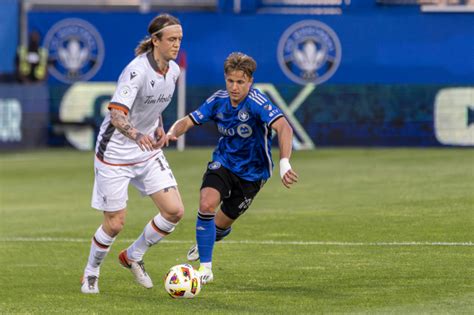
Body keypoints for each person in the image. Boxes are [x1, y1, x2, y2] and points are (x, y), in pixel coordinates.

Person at [166, 52, 298, 284]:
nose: (234, 87)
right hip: (224, 162)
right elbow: (188, 120)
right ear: (225, 79)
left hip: (254, 174)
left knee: (219, 226)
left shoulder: (257, 102)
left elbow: (284, 127)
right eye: (230, 81)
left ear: (250, 82)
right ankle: (205, 268)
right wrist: (171, 133)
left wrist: (285, 162)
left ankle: (214, 235)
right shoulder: (218, 100)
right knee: (206, 203)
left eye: (240, 82)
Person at [81, 14, 184, 294]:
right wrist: (138, 135)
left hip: (147, 151)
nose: (177, 45)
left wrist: (159, 128)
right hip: (114, 153)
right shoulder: (136, 71)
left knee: (174, 211)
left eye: (179, 40)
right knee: (115, 224)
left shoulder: (173, 71)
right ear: (155, 41)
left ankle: (133, 256)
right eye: (172, 39)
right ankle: (91, 272)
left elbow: (155, 108)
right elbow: (116, 115)